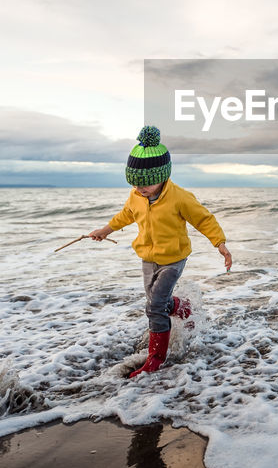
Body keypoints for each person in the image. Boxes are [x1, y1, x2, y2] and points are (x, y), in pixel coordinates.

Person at [89, 125, 231, 378]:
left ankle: (156, 358)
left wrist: (219, 243)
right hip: (148, 258)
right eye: (135, 183)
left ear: (163, 175)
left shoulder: (180, 197)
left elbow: (204, 220)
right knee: (157, 303)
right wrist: (105, 230)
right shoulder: (136, 197)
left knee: (154, 307)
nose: (140, 189)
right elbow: (125, 216)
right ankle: (184, 309)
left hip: (174, 258)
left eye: (146, 184)